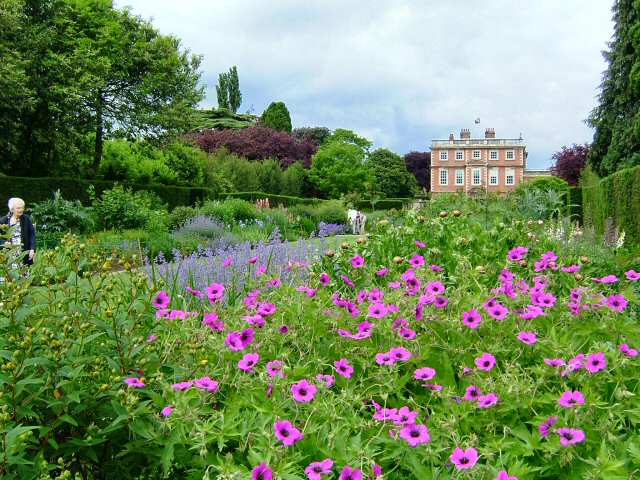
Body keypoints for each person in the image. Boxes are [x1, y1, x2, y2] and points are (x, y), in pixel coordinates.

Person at [0, 197, 36, 266]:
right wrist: (4, 243)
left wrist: (32, 249)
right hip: (9, 254)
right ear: (12, 209)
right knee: (11, 274)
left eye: (22, 207)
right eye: (18, 208)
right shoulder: (3, 221)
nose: (21, 210)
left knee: (24, 273)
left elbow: (32, 234)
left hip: (23, 253)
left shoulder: (26, 219)